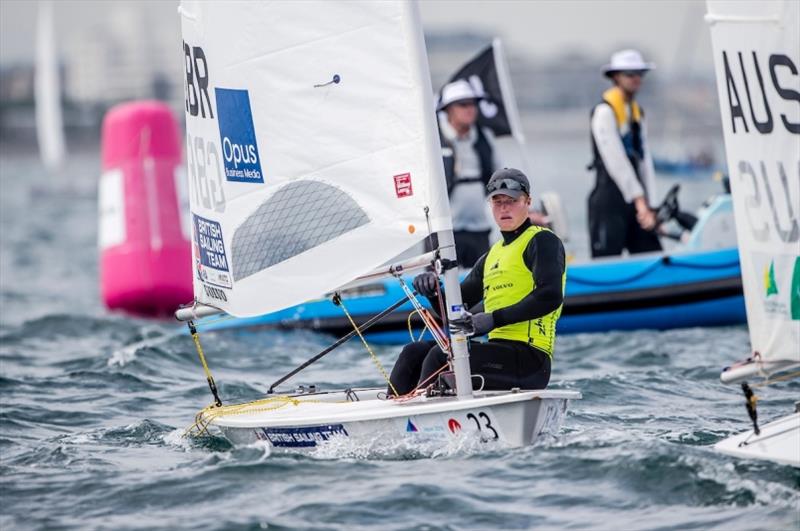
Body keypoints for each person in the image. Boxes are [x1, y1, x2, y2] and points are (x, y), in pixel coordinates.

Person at [387, 168, 566, 396]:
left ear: (527, 201)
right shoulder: (491, 256)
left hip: (530, 360)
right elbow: (453, 308)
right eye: (497, 201)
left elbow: (549, 296)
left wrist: (492, 319)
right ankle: (393, 415)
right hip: (498, 353)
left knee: (441, 356)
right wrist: (433, 290)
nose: (504, 207)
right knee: (413, 352)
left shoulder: (542, 241)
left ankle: (419, 417)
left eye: (511, 200)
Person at [588, 49, 662, 258]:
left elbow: (644, 160)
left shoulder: (638, 113)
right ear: (616, 77)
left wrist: (651, 206)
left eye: (640, 74)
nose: (636, 78)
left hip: (637, 203)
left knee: (651, 254)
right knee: (606, 263)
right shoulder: (604, 113)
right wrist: (640, 202)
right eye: (630, 74)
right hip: (609, 203)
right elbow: (615, 161)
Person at [437, 79, 500, 267]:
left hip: (480, 227)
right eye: (463, 104)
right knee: (441, 286)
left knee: (483, 280)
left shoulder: (484, 137)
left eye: (473, 104)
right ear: (448, 110)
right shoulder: (433, 140)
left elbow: (499, 177)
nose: (470, 109)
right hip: (444, 229)